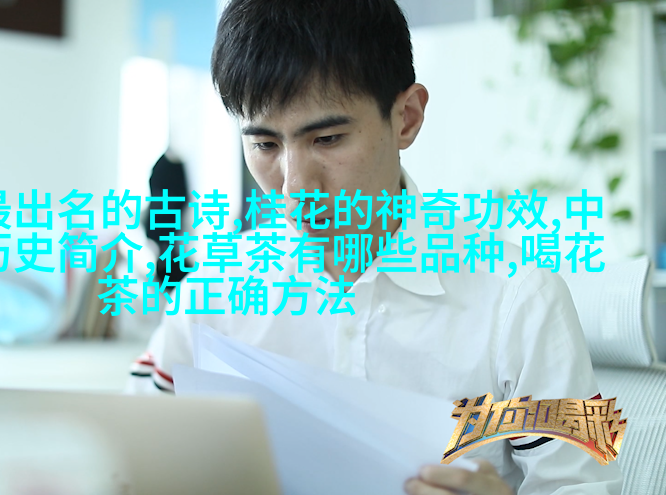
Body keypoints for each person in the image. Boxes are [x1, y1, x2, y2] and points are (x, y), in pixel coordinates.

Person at [127, 1, 623, 494]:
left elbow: (587, 485)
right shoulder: (214, 289)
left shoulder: (519, 298)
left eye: (327, 139)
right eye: (265, 145)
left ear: (406, 118)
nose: (295, 186)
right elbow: (127, 456)